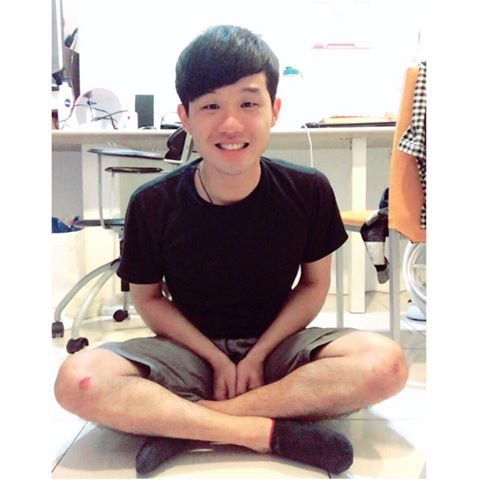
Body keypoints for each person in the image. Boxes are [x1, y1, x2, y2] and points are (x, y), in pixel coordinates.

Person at [54, 25, 408, 476]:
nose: (230, 124)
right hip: (188, 352)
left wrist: (258, 355)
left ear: (274, 110)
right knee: (76, 380)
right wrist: (214, 357)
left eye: (248, 103)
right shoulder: (152, 203)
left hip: (279, 349)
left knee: (387, 364)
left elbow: (314, 285)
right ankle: (264, 431)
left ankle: (190, 425)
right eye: (210, 106)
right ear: (185, 117)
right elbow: (148, 299)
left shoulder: (308, 190)